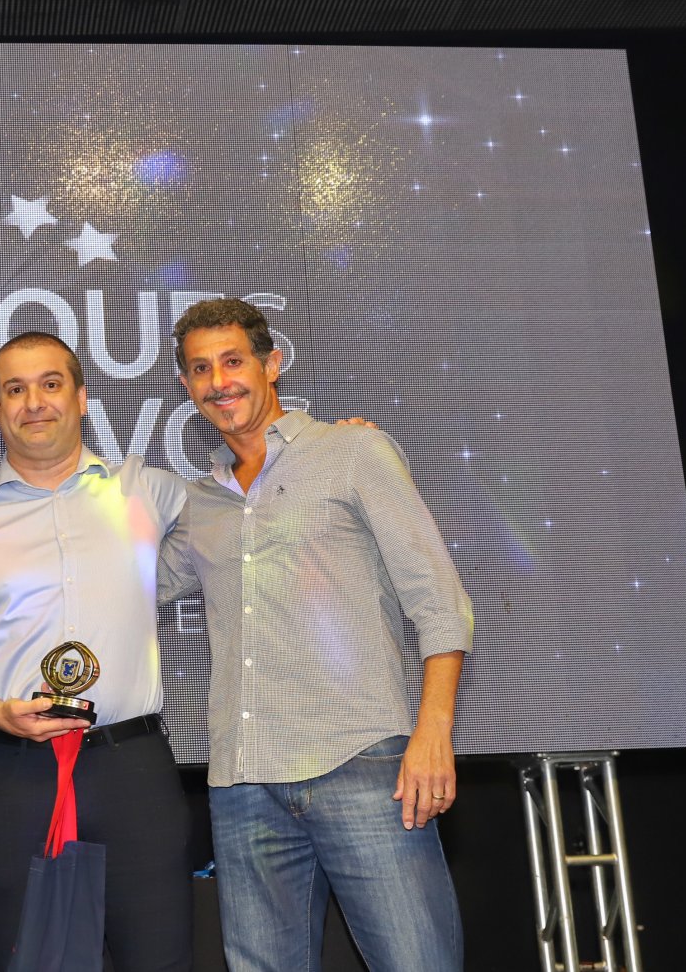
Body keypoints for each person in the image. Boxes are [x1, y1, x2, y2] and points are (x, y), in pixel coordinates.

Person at [159, 297, 473, 972]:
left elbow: (439, 598)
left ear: (271, 364)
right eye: (201, 369)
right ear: (186, 386)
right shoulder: (198, 504)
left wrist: (433, 732)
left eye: (233, 361)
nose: (219, 382)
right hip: (244, 783)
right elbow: (123, 594)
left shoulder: (352, 451)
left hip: (361, 762)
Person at [0, 332, 193, 972]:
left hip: (133, 771)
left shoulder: (148, 491)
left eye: (50, 384)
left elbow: (247, 499)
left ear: (82, 397)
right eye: (15, 389)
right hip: (16, 776)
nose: (34, 402)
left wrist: (318, 444)